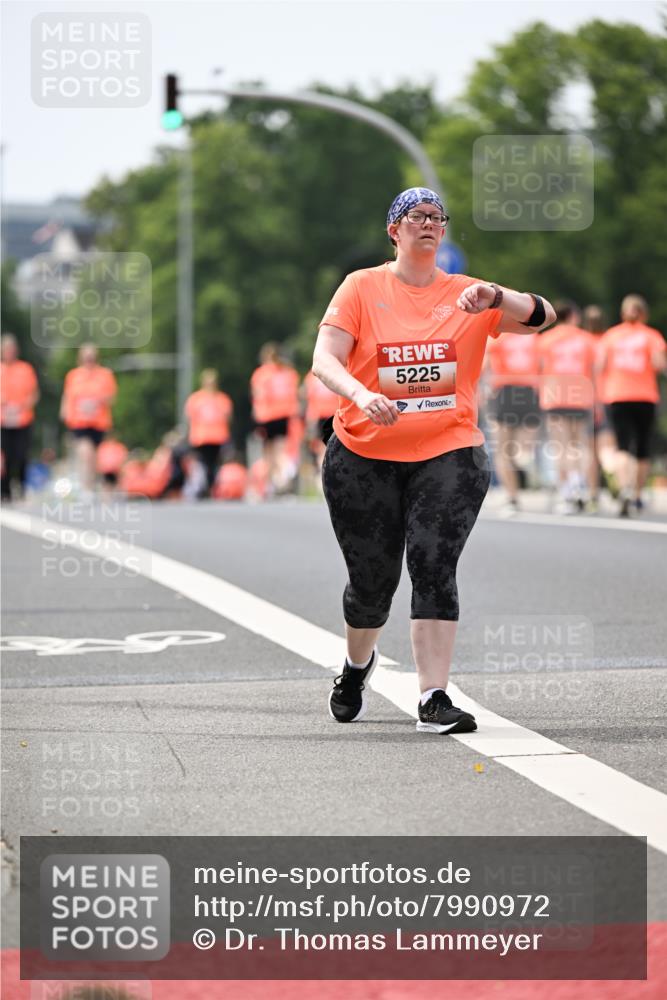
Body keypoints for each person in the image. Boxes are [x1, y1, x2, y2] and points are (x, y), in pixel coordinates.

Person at [312, 187, 556, 733]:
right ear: (393, 230)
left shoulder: (469, 294)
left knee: (433, 564)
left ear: (443, 232)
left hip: (448, 451)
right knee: (372, 584)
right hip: (362, 454)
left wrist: (496, 295)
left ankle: (433, 698)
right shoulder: (361, 287)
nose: (427, 224)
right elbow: (323, 359)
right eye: (415, 216)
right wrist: (360, 394)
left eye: (436, 217)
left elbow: (545, 317)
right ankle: (356, 667)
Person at [597, 295, 666, 517]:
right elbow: (658, 363)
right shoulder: (651, 336)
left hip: (617, 395)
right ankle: (637, 495)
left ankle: (625, 487)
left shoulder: (611, 336)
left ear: (623, 313)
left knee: (623, 445)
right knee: (643, 446)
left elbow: (600, 365)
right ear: (644, 313)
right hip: (645, 395)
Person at [538, 301, 597, 513]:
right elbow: (595, 370)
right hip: (580, 395)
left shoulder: (545, 340)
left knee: (560, 445)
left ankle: (567, 492)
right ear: (573, 315)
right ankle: (579, 483)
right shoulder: (586, 339)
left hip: (555, 396)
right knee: (579, 444)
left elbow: (539, 368)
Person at [483, 329, 541, 514]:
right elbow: (543, 365)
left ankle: (512, 498)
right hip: (528, 391)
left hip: (504, 390)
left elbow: (484, 366)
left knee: (502, 450)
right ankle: (524, 459)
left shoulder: (495, 338)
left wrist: (482, 391)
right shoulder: (533, 336)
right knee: (523, 447)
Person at [60, 343, 117, 499]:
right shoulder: (73, 375)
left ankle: (91, 484)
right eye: (86, 357)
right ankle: (86, 488)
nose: (89, 360)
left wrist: (96, 401)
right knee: (85, 453)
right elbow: (68, 396)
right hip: (79, 422)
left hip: (99, 422)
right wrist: (64, 411)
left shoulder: (105, 375)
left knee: (94, 457)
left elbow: (111, 397)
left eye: (92, 357)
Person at [250, 344, 299, 495]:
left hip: (266, 415)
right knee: (280, 447)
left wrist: (256, 415)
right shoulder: (288, 373)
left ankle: (275, 480)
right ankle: (280, 476)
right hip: (284, 414)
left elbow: (258, 395)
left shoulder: (261, 374)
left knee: (268, 451)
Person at [582, 304, 617, 503]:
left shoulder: (582, 341)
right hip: (609, 398)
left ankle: (594, 493)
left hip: (588, 401)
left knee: (591, 451)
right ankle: (613, 479)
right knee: (607, 449)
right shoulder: (609, 340)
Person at [1, 333, 39, 501]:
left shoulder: (25, 369)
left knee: (21, 455)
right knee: (4, 456)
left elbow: (34, 393)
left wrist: (22, 406)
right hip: (3, 420)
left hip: (22, 419)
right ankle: (5, 489)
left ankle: (22, 485)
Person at [184, 369, 233, 497]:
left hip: (218, 436)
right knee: (202, 462)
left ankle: (212, 486)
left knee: (214, 463)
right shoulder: (196, 399)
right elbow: (190, 418)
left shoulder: (222, 399)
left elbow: (228, 417)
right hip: (201, 437)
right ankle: (202, 486)